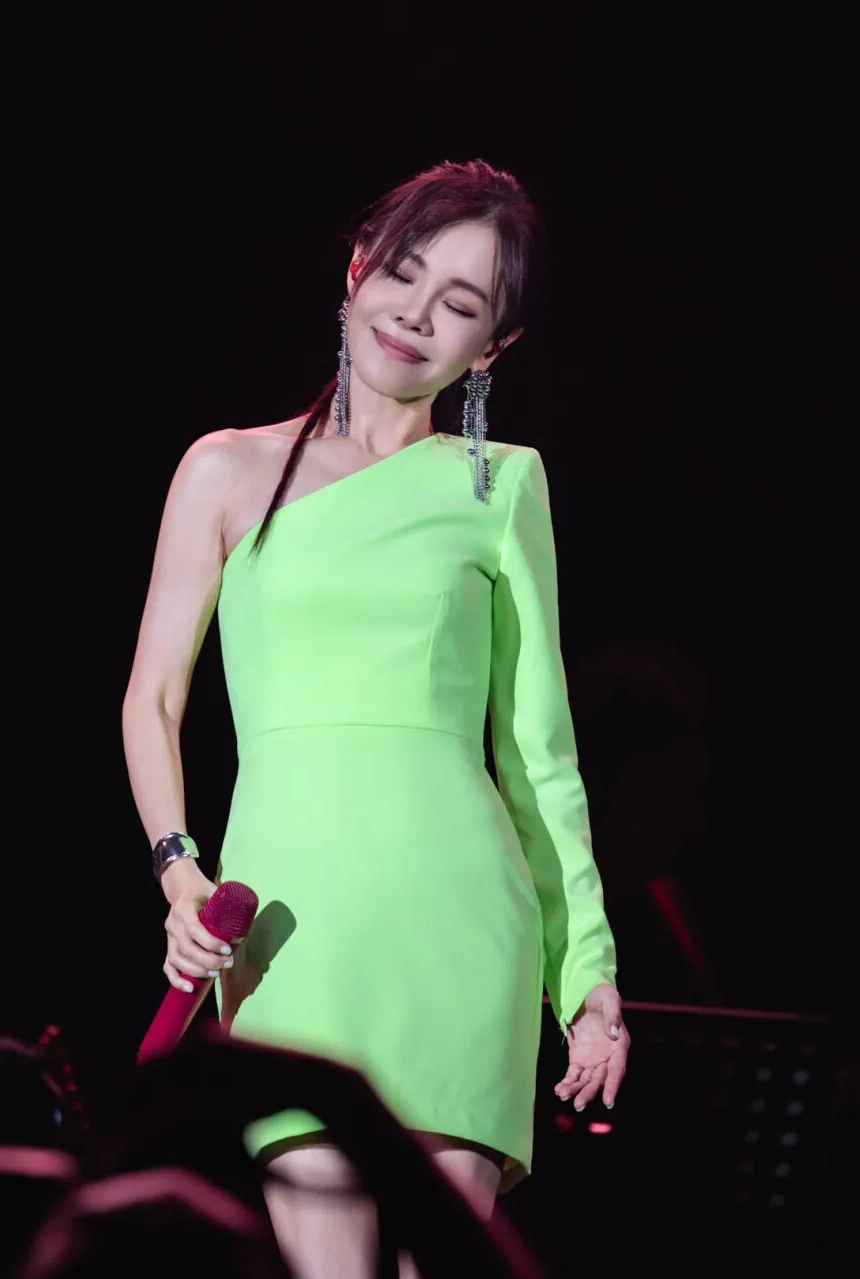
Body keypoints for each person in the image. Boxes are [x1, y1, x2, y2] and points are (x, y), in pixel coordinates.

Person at [122, 158, 630, 1279]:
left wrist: (586, 972)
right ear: (356, 270)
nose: (416, 313)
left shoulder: (502, 485)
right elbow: (153, 698)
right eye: (404, 273)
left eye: (462, 303)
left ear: (493, 346)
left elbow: (538, 753)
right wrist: (178, 871)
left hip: (460, 920)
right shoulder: (224, 469)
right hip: (291, 922)